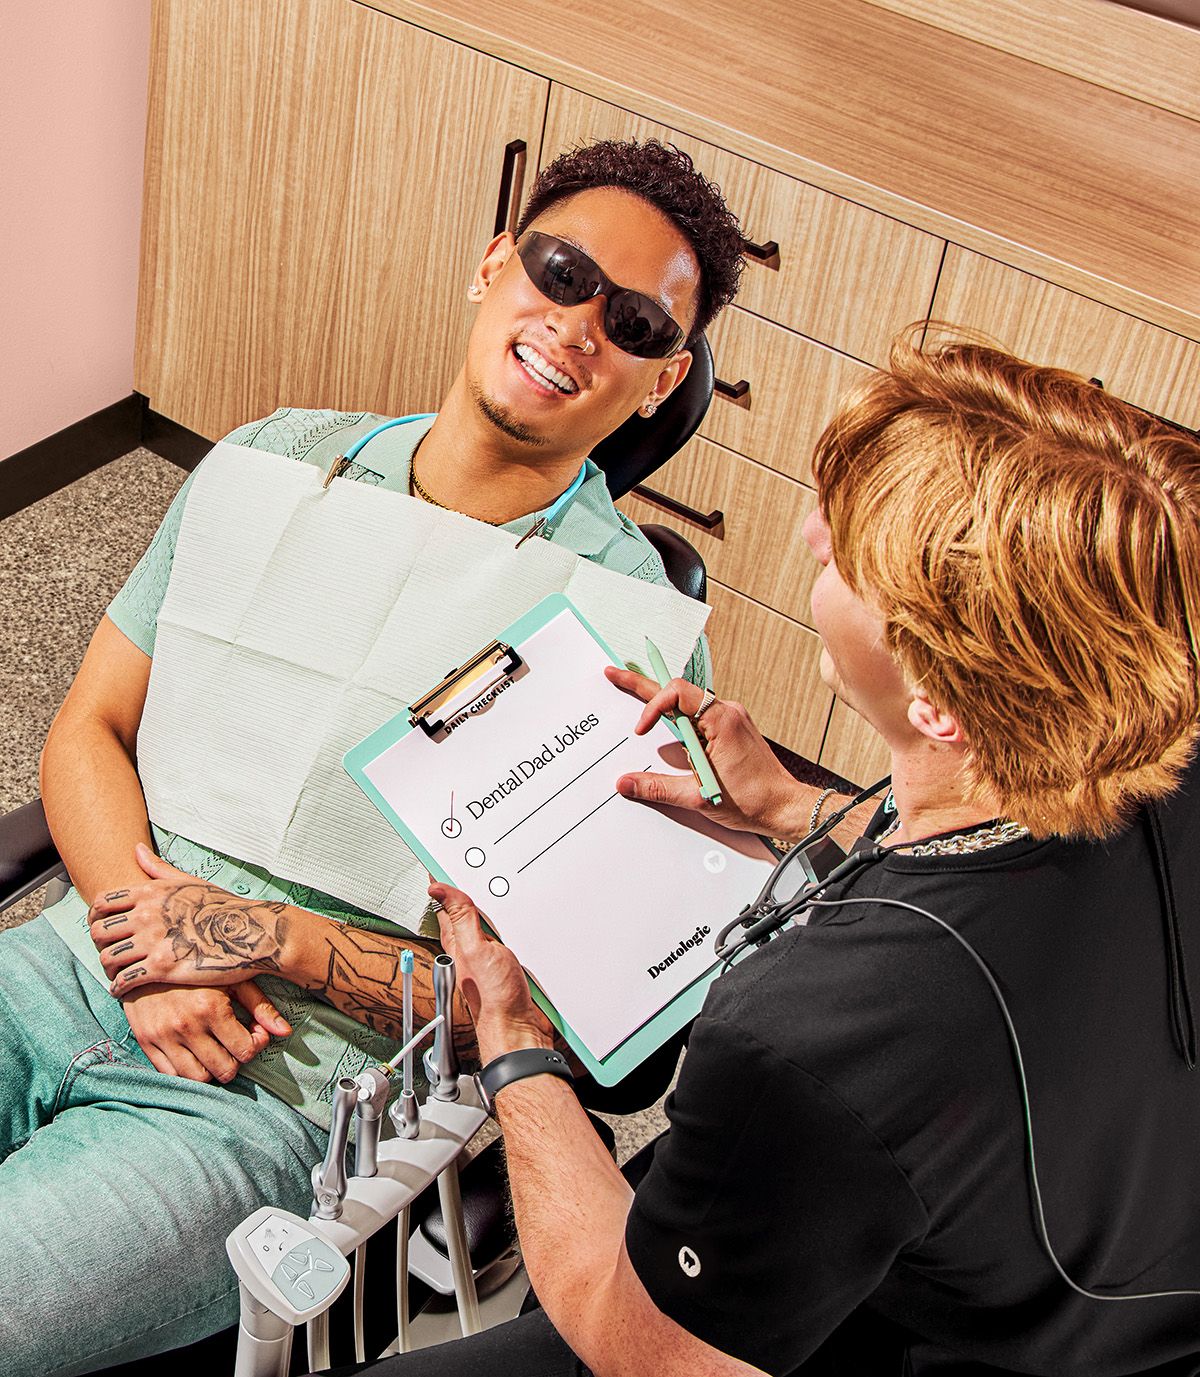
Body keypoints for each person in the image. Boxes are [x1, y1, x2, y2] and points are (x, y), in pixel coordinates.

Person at [0, 139, 745, 1374]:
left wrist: (265, 938)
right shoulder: (274, 461)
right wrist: (153, 940)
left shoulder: (624, 643)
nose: (575, 326)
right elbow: (89, 727)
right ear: (494, 263)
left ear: (661, 382)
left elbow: (547, 1017)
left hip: (274, 1104)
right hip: (80, 956)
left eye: (631, 323)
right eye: (559, 272)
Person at [342, 333, 1200, 1376]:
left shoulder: (810, 1041)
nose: (806, 537)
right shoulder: (1149, 735)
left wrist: (516, 1046)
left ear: (939, 702)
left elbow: (642, 1352)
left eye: (844, 557)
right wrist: (797, 810)